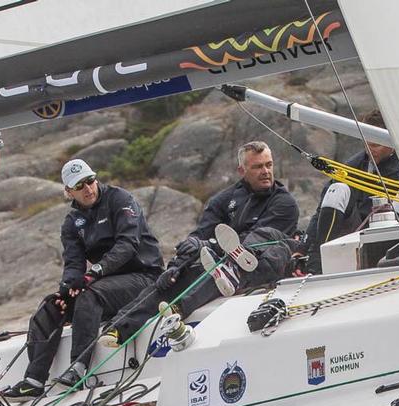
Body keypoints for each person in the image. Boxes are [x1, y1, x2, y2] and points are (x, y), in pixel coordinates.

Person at [3, 159, 163, 401]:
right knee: (51, 305)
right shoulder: (71, 223)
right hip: (106, 284)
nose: (88, 189)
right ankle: (33, 380)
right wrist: (66, 290)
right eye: (79, 186)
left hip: (144, 277)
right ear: (69, 192)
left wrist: (94, 272)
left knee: (90, 294)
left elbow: (127, 245)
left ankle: (78, 369)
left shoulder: (120, 199)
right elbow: (74, 264)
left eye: (90, 181)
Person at [111, 140, 300, 341]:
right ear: (242, 170)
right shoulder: (223, 200)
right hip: (216, 263)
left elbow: (255, 240)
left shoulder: (285, 203)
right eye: (257, 167)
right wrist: (176, 266)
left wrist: (208, 245)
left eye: (268, 165)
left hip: (259, 265)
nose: (265, 171)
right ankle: (117, 329)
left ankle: (180, 307)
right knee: (172, 279)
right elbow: (200, 234)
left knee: (231, 261)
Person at [304, 110, 399, 274]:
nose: (370, 150)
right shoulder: (353, 166)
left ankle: (392, 260)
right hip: (355, 229)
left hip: (393, 232)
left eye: (376, 145)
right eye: (366, 144)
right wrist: (304, 246)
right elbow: (322, 210)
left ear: (391, 141)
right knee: (336, 190)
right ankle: (319, 264)